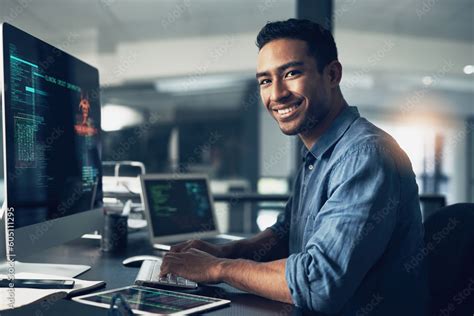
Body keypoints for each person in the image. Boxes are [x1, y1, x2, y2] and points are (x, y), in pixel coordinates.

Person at [160, 19, 428, 315]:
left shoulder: (364, 155)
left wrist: (217, 268)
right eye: (265, 80)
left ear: (332, 74)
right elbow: (286, 232)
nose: (276, 94)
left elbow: (318, 282)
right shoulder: (321, 152)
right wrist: (224, 251)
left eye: (291, 73)